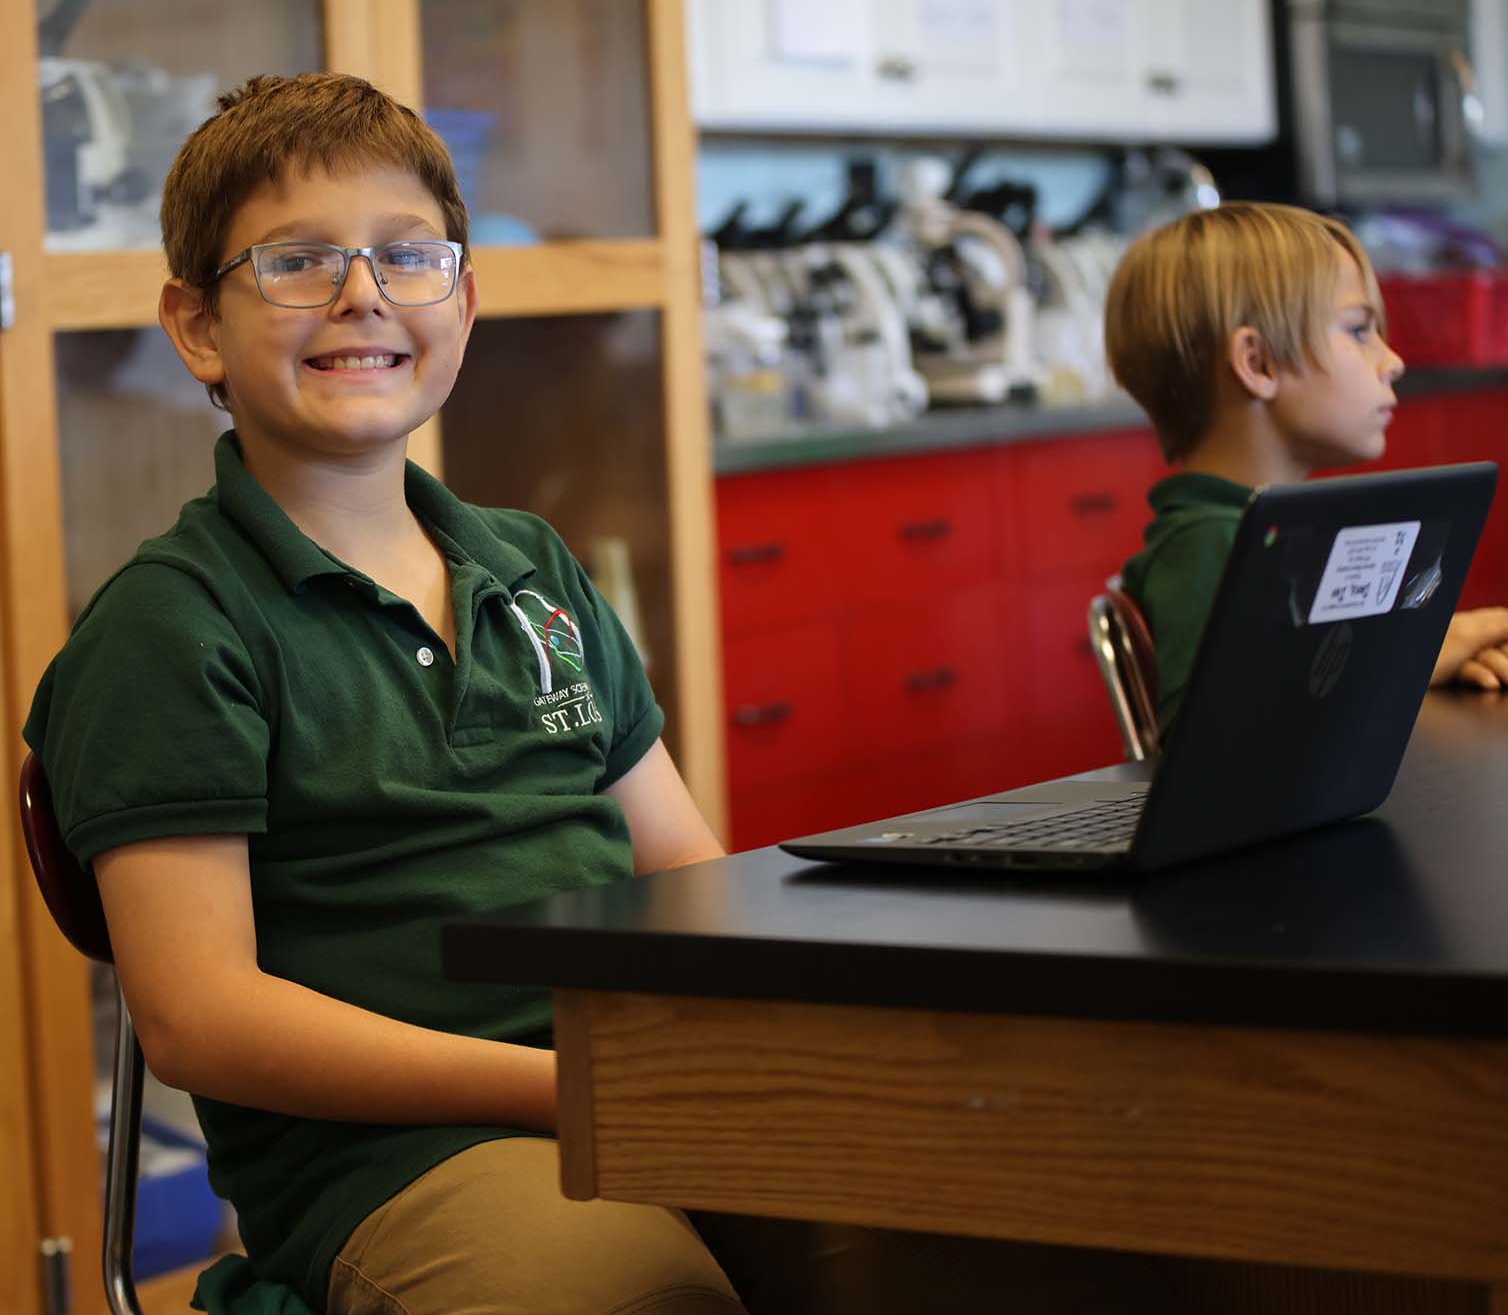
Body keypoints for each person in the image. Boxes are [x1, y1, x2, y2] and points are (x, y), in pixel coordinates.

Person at [25, 74, 1184, 1315]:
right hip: (405, 1157)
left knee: (1049, 1218)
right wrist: (561, 1089)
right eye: (297, 262)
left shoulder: (529, 565)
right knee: (632, 1300)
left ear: (463, 303)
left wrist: (815, 1040)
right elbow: (202, 1021)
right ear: (197, 325)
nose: (363, 293)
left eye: (408, 256)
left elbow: (684, 879)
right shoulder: (173, 626)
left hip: (642, 1083)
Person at [1104, 201, 1508, 734]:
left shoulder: (1284, 535)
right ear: (1258, 364)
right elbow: (1213, 743)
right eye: (1359, 330)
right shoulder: (1206, 545)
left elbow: (1314, 682)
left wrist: (1429, 664)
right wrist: (1408, 658)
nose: (1393, 361)